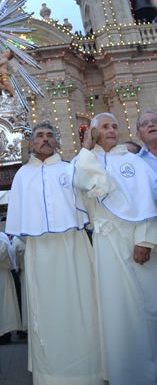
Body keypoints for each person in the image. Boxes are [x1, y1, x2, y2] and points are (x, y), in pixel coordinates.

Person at [6, 122, 102, 385]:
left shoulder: (71, 169)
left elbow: (94, 191)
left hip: (74, 247)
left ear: (58, 141)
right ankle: (51, 375)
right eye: (39, 136)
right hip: (39, 251)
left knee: (81, 306)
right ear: (31, 143)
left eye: (50, 135)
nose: (45, 140)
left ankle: (89, 371)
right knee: (45, 312)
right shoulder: (22, 175)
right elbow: (19, 219)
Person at [73, 112, 157, 385]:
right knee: (115, 311)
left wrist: (145, 239)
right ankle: (123, 373)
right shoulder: (86, 160)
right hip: (106, 243)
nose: (111, 130)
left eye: (114, 126)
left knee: (146, 308)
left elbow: (149, 202)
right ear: (94, 132)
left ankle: (149, 372)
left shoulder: (134, 162)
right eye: (105, 126)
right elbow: (83, 181)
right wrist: (87, 147)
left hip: (135, 242)